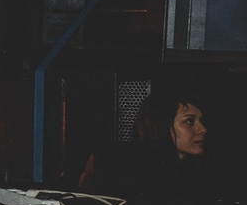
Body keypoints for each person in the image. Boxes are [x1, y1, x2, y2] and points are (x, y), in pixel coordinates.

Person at [78, 82, 208, 196]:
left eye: (201, 121)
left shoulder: (202, 174)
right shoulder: (119, 169)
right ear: (160, 125)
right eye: (189, 121)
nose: (202, 129)